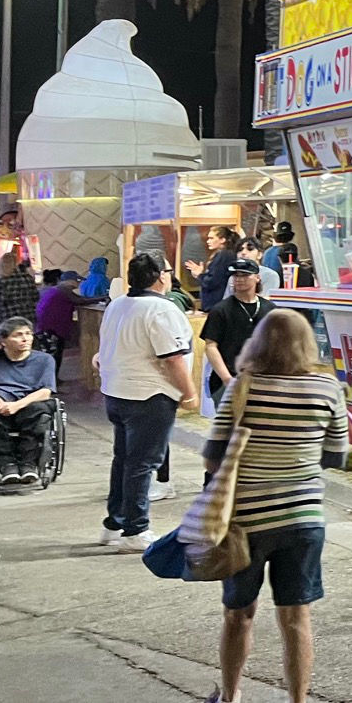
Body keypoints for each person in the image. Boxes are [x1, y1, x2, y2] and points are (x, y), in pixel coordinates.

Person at [204, 309, 348, 703]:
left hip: (245, 524)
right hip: (303, 519)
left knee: (238, 615)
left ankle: (231, 696)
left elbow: (212, 455)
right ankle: (298, 701)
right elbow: (336, 456)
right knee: (297, 618)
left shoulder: (242, 388)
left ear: (259, 342)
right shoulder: (327, 388)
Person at [94, 253, 195, 548]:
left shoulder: (118, 305)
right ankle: (135, 529)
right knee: (141, 463)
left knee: (123, 460)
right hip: (150, 395)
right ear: (161, 276)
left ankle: (115, 523)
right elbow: (173, 358)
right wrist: (189, 393)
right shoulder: (161, 309)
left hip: (117, 392)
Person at [203, 260, 276, 403]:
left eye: (245, 275)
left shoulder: (270, 309)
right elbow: (211, 346)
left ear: (257, 277)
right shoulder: (220, 310)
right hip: (227, 379)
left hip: (261, 380)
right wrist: (227, 379)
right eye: (236, 275)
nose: (239, 279)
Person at [0, 317, 57, 484]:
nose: (25, 339)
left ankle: (28, 464)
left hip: (30, 402)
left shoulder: (44, 360)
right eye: (18, 335)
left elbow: (46, 391)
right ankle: (7, 464)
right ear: (3, 340)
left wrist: (16, 405)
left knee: (38, 413)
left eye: (28, 334)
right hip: (1, 402)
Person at [189, 227, 243, 311]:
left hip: (216, 304)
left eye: (211, 238)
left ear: (222, 239)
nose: (208, 241)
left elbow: (213, 281)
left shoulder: (224, 255)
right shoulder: (225, 254)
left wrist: (200, 275)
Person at [0, 252, 38, 323]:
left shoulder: (0, 282)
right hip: (28, 318)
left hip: (8, 320)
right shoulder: (27, 278)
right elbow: (36, 298)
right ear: (16, 263)